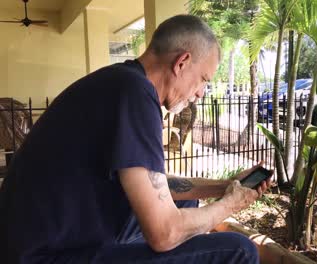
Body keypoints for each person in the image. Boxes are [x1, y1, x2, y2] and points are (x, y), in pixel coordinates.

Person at [0, 15, 271, 264]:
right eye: (203, 79)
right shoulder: (135, 94)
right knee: (239, 251)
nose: (201, 93)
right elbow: (163, 234)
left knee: (183, 204)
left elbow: (156, 184)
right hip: (45, 256)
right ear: (182, 62)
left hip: (45, 238)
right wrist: (231, 204)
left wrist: (226, 185)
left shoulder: (120, 82)